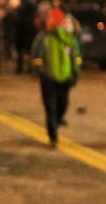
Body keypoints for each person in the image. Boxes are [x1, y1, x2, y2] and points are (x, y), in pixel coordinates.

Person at [31, 8, 82, 148]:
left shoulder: (68, 39)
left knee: (63, 104)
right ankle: (53, 135)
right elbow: (36, 56)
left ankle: (57, 122)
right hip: (48, 79)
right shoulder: (43, 39)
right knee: (50, 108)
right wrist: (40, 71)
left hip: (65, 78)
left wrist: (76, 73)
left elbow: (75, 56)